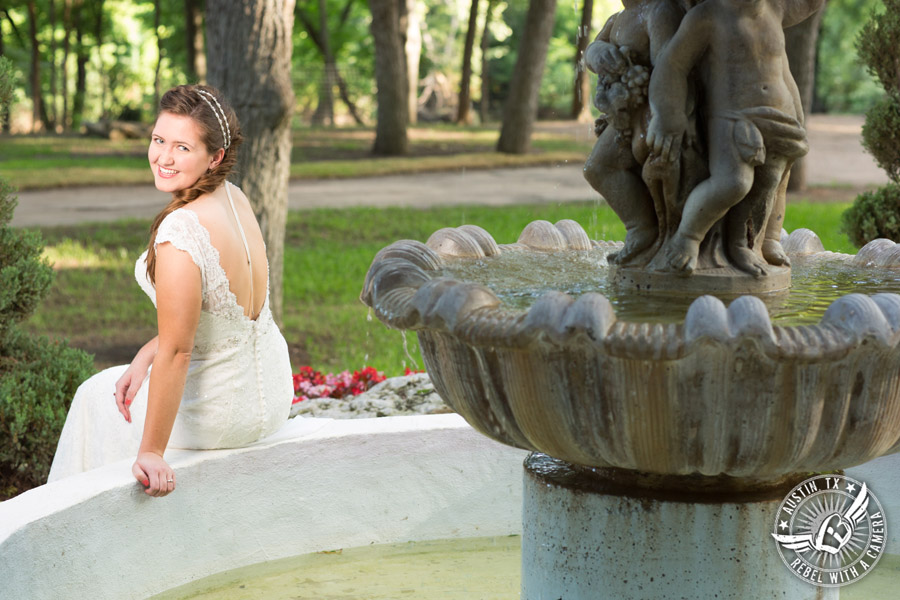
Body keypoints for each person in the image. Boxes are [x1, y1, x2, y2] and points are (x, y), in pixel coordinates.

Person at [48, 85, 294, 496]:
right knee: (119, 378)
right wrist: (147, 353)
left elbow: (179, 353)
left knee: (94, 397)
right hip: (272, 392)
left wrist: (152, 452)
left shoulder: (181, 230)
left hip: (223, 413)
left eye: (182, 147)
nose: (163, 157)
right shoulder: (235, 198)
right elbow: (216, 318)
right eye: (159, 140)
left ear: (214, 157)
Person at [646, 0, 824, 275]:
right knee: (734, 182)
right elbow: (673, 65)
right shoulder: (707, 16)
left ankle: (740, 244)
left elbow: (810, 5)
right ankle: (689, 237)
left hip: (778, 117)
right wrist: (668, 115)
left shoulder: (774, 9)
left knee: (766, 184)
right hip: (733, 118)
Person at [582, 0, 687, 265]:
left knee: (647, 166)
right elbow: (591, 51)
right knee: (597, 168)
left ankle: (661, 234)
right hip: (624, 112)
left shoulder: (659, 11)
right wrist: (597, 52)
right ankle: (640, 228)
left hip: (650, 109)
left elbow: (667, 66)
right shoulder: (618, 18)